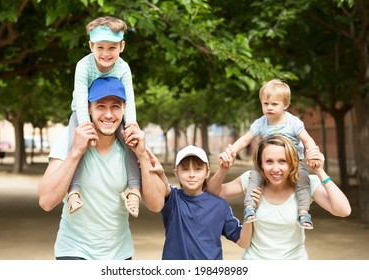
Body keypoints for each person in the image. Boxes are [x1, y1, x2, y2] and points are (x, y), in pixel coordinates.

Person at [38, 77, 162, 260]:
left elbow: (156, 204)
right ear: (88, 108)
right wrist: (76, 152)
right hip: (74, 251)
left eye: (115, 106)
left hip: (119, 254)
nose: (109, 114)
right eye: (101, 106)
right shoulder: (68, 138)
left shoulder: (132, 144)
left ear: (124, 109)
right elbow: (46, 201)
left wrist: (142, 155)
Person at [208, 135, 351, 260]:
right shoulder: (250, 181)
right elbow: (212, 192)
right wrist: (223, 169)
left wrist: (320, 172)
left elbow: (343, 210)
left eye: (282, 161)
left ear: (292, 162)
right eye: (269, 161)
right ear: (260, 163)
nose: (275, 168)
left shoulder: (306, 185)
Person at [219, 79, 319, 229]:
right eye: (265, 104)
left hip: (295, 161)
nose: (269, 108)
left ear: (285, 105)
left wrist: (312, 151)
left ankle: (304, 212)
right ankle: (250, 209)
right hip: (267, 160)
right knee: (254, 178)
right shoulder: (261, 123)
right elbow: (246, 139)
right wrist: (232, 150)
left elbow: (307, 139)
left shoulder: (293, 122)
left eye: (274, 104)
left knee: (303, 181)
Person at [67, 15, 141, 217]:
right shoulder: (84, 66)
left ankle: (134, 190)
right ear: (91, 46)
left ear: (122, 46)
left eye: (112, 48)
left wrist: (132, 124)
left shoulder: (123, 67)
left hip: (113, 111)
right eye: (100, 47)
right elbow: (81, 97)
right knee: (75, 144)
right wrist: (85, 127)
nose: (106, 53)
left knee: (131, 142)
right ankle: (73, 191)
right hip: (82, 110)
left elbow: (130, 99)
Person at [145, 145, 252, 260]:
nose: (192, 174)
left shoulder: (219, 205)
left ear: (207, 172)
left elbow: (243, 241)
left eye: (198, 169)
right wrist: (160, 174)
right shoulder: (173, 199)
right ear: (176, 173)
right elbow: (164, 186)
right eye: (185, 169)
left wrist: (250, 212)